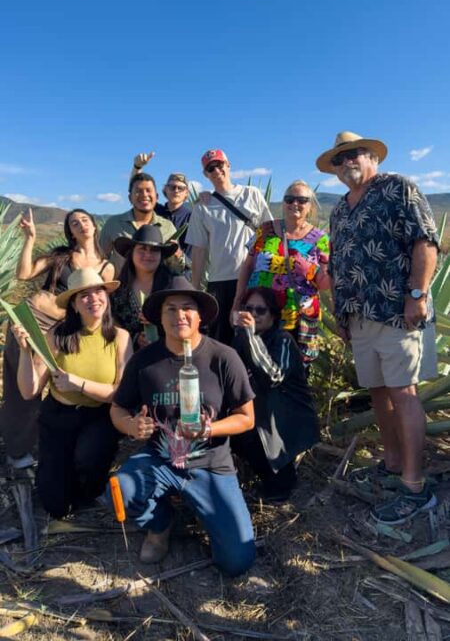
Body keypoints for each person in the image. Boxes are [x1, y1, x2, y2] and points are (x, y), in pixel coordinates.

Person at [316, 130, 439, 524]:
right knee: (379, 393)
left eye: (354, 154)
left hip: (397, 311)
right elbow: (336, 264)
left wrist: (417, 295)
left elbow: (426, 241)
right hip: (359, 317)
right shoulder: (339, 210)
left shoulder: (398, 189)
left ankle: (415, 487)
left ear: (373, 157)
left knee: (404, 393)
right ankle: (391, 463)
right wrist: (340, 313)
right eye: (339, 158)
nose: (346, 162)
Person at [104, 276, 256, 576]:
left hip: (211, 465)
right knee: (119, 490)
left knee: (237, 562)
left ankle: (207, 513)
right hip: (160, 460)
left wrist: (209, 430)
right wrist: (131, 426)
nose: (179, 315)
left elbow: (246, 418)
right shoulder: (145, 361)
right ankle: (160, 524)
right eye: (170, 309)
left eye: (187, 308)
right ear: (159, 318)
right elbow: (118, 409)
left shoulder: (223, 358)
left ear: (200, 316)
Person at [12, 268, 132, 518]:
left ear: (107, 297)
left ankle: (92, 483)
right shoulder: (57, 335)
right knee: (54, 504)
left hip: (99, 416)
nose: (93, 299)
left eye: (98, 291)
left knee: (88, 459)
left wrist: (77, 383)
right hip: (58, 416)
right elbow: (29, 390)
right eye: (83, 295)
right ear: (74, 305)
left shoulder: (120, 338)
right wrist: (26, 351)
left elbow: (118, 393)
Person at [1, 207, 114, 469]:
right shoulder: (60, 255)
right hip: (29, 320)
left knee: (48, 387)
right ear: (70, 232)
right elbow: (24, 273)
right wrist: (30, 238)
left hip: (60, 330)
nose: (80, 225)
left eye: (85, 220)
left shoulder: (107, 268)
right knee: (22, 389)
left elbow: (102, 303)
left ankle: (47, 440)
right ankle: (17, 451)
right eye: (74, 223)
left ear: (95, 225)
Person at [233, 287, 320, 501]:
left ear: (273, 315)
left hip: (286, 417)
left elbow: (273, 377)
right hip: (262, 413)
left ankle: (279, 484)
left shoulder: (283, 340)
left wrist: (251, 338)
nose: (253, 315)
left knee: (257, 430)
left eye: (260, 310)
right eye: (248, 308)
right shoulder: (241, 339)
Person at [232, 180, 330, 366]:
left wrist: (311, 269)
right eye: (289, 198)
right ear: (283, 203)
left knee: (295, 371)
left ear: (310, 206)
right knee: (253, 365)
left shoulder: (321, 239)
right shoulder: (265, 230)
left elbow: (325, 284)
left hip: (298, 317)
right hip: (259, 313)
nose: (295, 203)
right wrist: (237, 302)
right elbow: (248, 266)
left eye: (302, 200)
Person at [186, 149, 272, 345]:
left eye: (219, 164)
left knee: (258, 338)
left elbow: (269, 233)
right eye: (210, 168)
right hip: (220, 282)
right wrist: (195, 290)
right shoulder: (202, 206)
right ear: (205, 174)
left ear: (228, 165)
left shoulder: (252, 195)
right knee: (222, 339)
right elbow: (199, 251)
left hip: (254, 278)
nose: (216, 170)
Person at [99, 171, 181, 275]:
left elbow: (176, 264)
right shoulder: (114, 224)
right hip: (122, 289)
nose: (144, 195)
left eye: (148, 190)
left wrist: (178, 256)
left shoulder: (167, 227)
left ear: (156, 197)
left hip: (159, 289)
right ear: (130, 198)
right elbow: (100, 259)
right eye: (138, 191)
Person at [110, 225, 177, 350]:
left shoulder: (173, 286)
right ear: (132, 253)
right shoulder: (118, 291)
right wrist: (135, 339)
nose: (148, 254)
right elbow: (113, 326)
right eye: (142, 249)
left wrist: (161, 320)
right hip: (130, 358)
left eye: (154, 250)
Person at [129, 154, 193, 260]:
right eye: (172, 187)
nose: (176, 190)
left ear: (186, 193)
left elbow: (193, 256)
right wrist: (137, 167)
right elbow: (136, 190)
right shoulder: (155, 210)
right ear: (165, 190)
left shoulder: (191, 218)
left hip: (179, 272)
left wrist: (179, 255)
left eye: (180, 188)